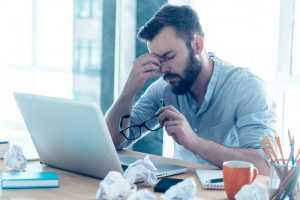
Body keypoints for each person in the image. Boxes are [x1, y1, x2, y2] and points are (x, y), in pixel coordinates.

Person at [105, 4, 277, 175]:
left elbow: (264, 167)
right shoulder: (164, 89)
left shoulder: (247, 88)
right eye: (158, 60)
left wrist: (195, 143)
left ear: (198, 45)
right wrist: (128, 92)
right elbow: (113, 141)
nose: (163, 69)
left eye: (169, 57)